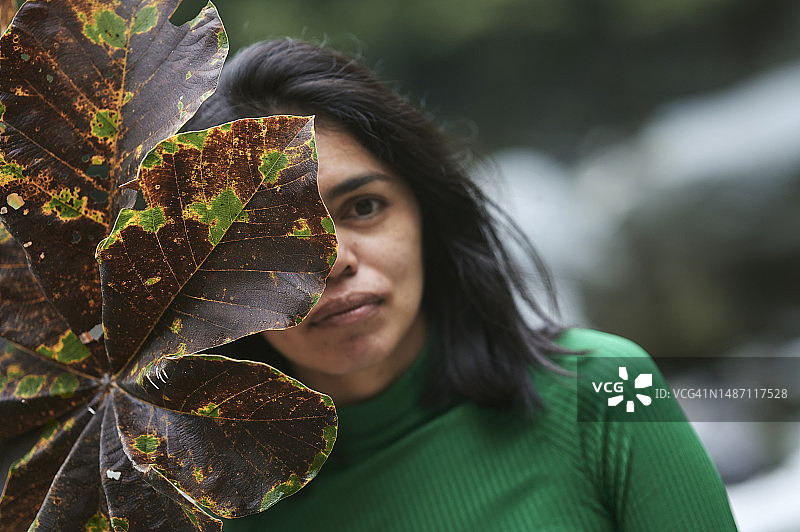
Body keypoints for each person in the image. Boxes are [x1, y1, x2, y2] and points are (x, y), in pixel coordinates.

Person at [183, 39, 738, 531]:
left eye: (364, 207)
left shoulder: (605, 393)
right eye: (273, 234)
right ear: (212, 279)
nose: (333, 261)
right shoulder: (201, 507)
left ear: (426, 214)